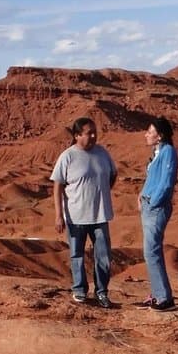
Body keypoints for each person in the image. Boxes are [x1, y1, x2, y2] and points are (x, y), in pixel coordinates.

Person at [51, 116, 117, 308]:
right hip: (75, 216)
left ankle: (102, 292)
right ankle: (79, 290)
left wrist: (102, 192)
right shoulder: (67, 156)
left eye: (95, 132)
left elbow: (113, 174)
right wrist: (58, 215)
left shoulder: (103, 153)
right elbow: (57, 187)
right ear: (77, 135)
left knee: (103, 256)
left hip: (100, 215)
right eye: (89, 133)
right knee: (77, 255)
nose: (94, 136)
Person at [140, 116, 178, 310]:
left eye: (150, 132)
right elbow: (153, 179)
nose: (146, 134)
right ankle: (156, 294)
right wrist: (142, 196)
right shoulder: (158, 153)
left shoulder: (168, 152)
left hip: (156, 208)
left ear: (160, 136)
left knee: (151, 252)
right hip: (149, 206)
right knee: (150, 252)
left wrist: (153, 202)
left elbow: (166, 183)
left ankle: (164, 298)